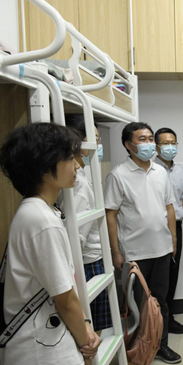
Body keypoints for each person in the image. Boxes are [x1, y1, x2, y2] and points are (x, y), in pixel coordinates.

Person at [0, 123, 100, 365]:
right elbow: (64, 299)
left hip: (42, 357)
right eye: (69, 158)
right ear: (44, 168)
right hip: (45, 363)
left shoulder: (39, 212)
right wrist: (86, 340)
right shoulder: (41, 220)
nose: (77, 165)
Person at [104, 122, 181, 364]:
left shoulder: (160, 172)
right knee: (136, 305)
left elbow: (169, 207)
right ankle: (138, 352)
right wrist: (116, 251)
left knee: (160, 302)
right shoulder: (118, 175)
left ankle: (161, 345)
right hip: (134, 253)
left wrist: (173, 238)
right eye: (142, 139)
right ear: (129, 145)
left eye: (150, 139)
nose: (149, 143)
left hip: (162, 248)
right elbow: (110, 215)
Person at [61, 117, 112, 334]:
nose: (97, 145)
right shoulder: (78, 183)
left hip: (92, 256)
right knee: (90, 325)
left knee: (95, 324)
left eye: (98, 140)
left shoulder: (82, 174)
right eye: (93, 139)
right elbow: (76, 237)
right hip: (87, 261)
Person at [155, 127, 183, 335]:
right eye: (165, 143)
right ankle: (157, 325)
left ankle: (169, 320)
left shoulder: (178, 171)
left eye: (173, 143)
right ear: (157, 147)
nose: (170, 147)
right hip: (159, 228)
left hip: (177, 225)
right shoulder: (152, 170)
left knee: (172, 275)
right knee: (159, 279)